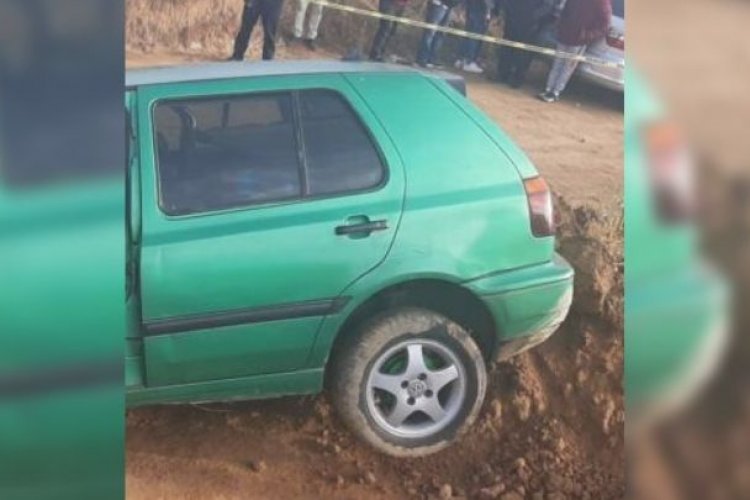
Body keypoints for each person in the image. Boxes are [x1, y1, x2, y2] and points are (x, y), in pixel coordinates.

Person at [538, 0, 611, 102]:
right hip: (565, 35)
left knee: (567, 67)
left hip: (579, 41)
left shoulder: (602, 3)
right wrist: (560, 26)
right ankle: (548, 89)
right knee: (558, 63)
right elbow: (565, 11)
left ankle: (555, 92)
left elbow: (604, 26)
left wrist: (587, 36)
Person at [496, 0, 561, 88]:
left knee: (523, 52)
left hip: (530, 23)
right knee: (509, 47)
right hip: (515, 18)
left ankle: (516, 78)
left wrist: (533, 18)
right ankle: (503, 74)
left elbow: (547, 6)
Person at [415, 0, 461, 68]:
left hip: (449, 6)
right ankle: (422, 59)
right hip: (438, 4)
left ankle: (432, 59)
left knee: (441, 34)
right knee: (430, 32)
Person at [455, 0, 494, 73]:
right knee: (475, 36)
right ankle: (469, 62)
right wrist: (489, 10)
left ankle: (461, 59)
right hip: (480, 10)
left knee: (469, 35)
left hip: (473, 9)